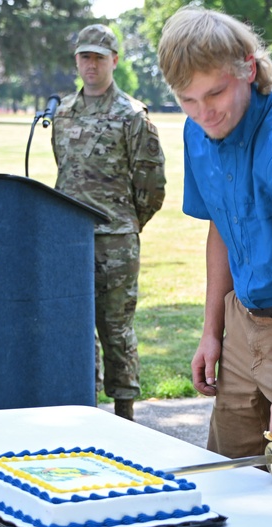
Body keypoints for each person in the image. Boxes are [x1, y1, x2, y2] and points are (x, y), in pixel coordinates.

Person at [156, 7, 272, 494]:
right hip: (241, 321)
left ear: (248, 66)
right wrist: (212, 331)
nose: (205, 113)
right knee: (227, 484)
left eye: (215, 93)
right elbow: (220, 228)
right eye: (188, 100)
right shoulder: (197, 130)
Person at [52, 23, 166, 421]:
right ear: (76, 60)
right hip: (68, 239)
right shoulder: (62, 113)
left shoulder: (132, 116)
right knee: (74, 327)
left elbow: (152, 186)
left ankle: (123, 414)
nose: (91, 65)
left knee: (115, 330)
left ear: (114, 60)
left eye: (99, 57)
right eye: (85, 56)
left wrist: (125, 224)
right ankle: (84, 408)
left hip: (115, 242)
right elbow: (63, 175)